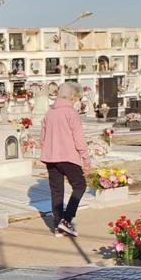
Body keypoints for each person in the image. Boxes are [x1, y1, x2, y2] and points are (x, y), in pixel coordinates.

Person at [40, 80, 90, 236]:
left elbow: (43, 137)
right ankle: (66, 221)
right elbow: (79, 139)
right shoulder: (71, 113)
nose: (77, 101)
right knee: (80, 185)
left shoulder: (49, 113)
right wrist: (86, 159)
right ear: (73, 96)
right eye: (77, 98)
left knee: (57, 191)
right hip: (67, 157)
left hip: (51, 157)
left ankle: (57, 227)